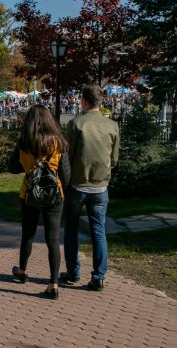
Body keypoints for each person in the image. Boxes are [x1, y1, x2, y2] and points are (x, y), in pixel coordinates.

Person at [8, 104, 71, 300]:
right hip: (54, 195)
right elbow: (66, 175)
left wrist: (29, 167)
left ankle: (23, 271)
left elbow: (12, 167)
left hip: (30, 194)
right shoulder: (58, 142)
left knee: (28, 235)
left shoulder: (24, 143)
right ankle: (53, 283)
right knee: (53, 240)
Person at [61, 85, 120, 291]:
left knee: (71, 230)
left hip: (78, 184)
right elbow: (113, 159)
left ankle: (73, 272)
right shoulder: (112, 125)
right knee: (98, 231)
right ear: (100, 101)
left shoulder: (76, 124)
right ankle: (99, 275)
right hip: (100, 185)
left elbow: (68, 156)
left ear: (84, 101)